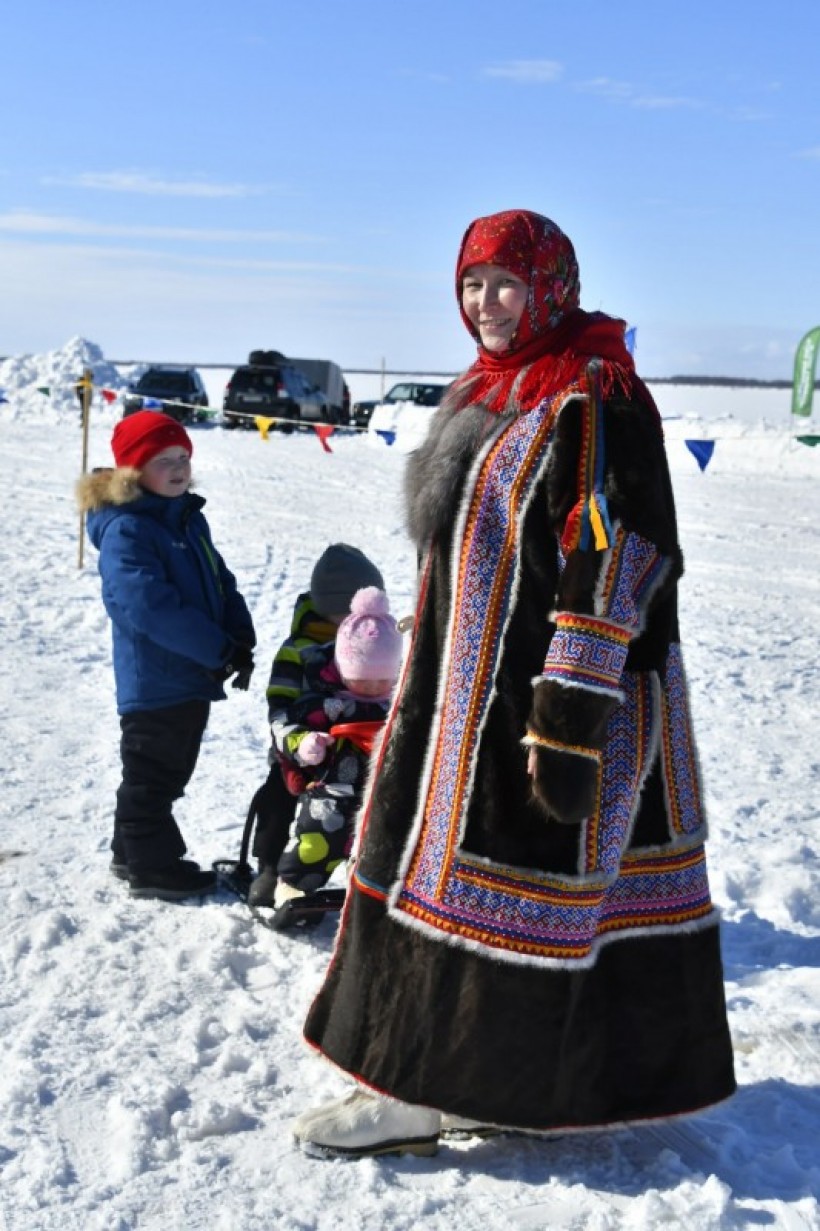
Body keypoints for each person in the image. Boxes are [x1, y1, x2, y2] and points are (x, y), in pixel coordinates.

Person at [293, 209, 736, 1157]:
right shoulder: (489, 389)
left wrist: (569, 717)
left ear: (550, 286)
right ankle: (441, 1080)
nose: (485, 303)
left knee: (504, 897)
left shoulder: (595, 396)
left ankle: (421, 1086)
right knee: (439, 886)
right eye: (470, 284)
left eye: (504, 283)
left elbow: (620, 555)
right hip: (458, 699)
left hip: (543, 703)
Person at [77, 410, 256, 902]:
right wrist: (215, 649)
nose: (178, 468)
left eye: (183, 457)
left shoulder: (185, 518)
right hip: (156, 679)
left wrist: (238, 635)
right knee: (155, 775)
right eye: (163, 460)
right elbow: (148, 606)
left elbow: (219, 580)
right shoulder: (129, 529)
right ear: (134, 470)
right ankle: (153, 867)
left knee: (163, 769)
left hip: (190, 671)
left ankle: (128, 852)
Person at [248, 544, 385, 907]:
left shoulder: (375, 643)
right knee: (279, 793)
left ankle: (369, 869)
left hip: (356, 749)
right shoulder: (298, 650)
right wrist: (298, 743)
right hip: (302, 749)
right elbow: (279, 709)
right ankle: (270, 866)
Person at [272, 586, 403, 907]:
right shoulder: (327, 703)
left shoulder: (399, 702)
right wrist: (308, 743)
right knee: (319, 831)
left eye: (381, 680)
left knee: (389, 835)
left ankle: (376, 884)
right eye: (362, 680)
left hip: (385, 785)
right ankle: (293, 884)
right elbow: (292, 724)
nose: (372, 688)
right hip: (333, 785)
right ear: (343, 671)